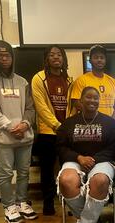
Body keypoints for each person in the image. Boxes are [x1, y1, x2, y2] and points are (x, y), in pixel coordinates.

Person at [0, 40, 38, 223]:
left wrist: (26, 124)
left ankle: (21, 202)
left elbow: (30, 108)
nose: (5, 59)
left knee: (24, 172)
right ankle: (9, 206)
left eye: (8, 55)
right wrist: (11, 127)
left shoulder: (22, 81)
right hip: (4, 138)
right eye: (0, 55)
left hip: (24, 136)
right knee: (5, 173)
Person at [57, 86, 115, 223]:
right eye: (88, 97)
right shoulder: (68, 123)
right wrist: (79, 158)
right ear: (80, 101)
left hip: (102, 161)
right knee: (66, 180)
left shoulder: (110, 123)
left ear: (99, 101)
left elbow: (114, 148)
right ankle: (91, 218)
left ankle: (84, 220)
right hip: (75, 160)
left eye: (95, 98)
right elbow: (61, 147)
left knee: (100, 181)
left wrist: (93, 160)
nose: (92, 100)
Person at [31, 45, 72, 215]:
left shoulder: (69, 79)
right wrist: (57, 126)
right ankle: (49, 204)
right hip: (47, 132)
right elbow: (41, 107)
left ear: (63, 58)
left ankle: (70, 204)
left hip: (66, 133)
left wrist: (67, 126)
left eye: (59, 54)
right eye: (52, 55)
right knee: (47, 171)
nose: (56, 57)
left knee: (68, 169)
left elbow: (72, 106)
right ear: (46, 58)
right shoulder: (38, 78)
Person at [69, 45, 115, 120]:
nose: (99, 60)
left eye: (102, 57)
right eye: (96, 57)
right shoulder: (81, 80)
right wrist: (95, 119)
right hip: (89, 124)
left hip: (109, 125)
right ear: (90, 60)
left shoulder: (114, 82)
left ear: (105, 60)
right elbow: (76, 103)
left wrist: (110, 122)